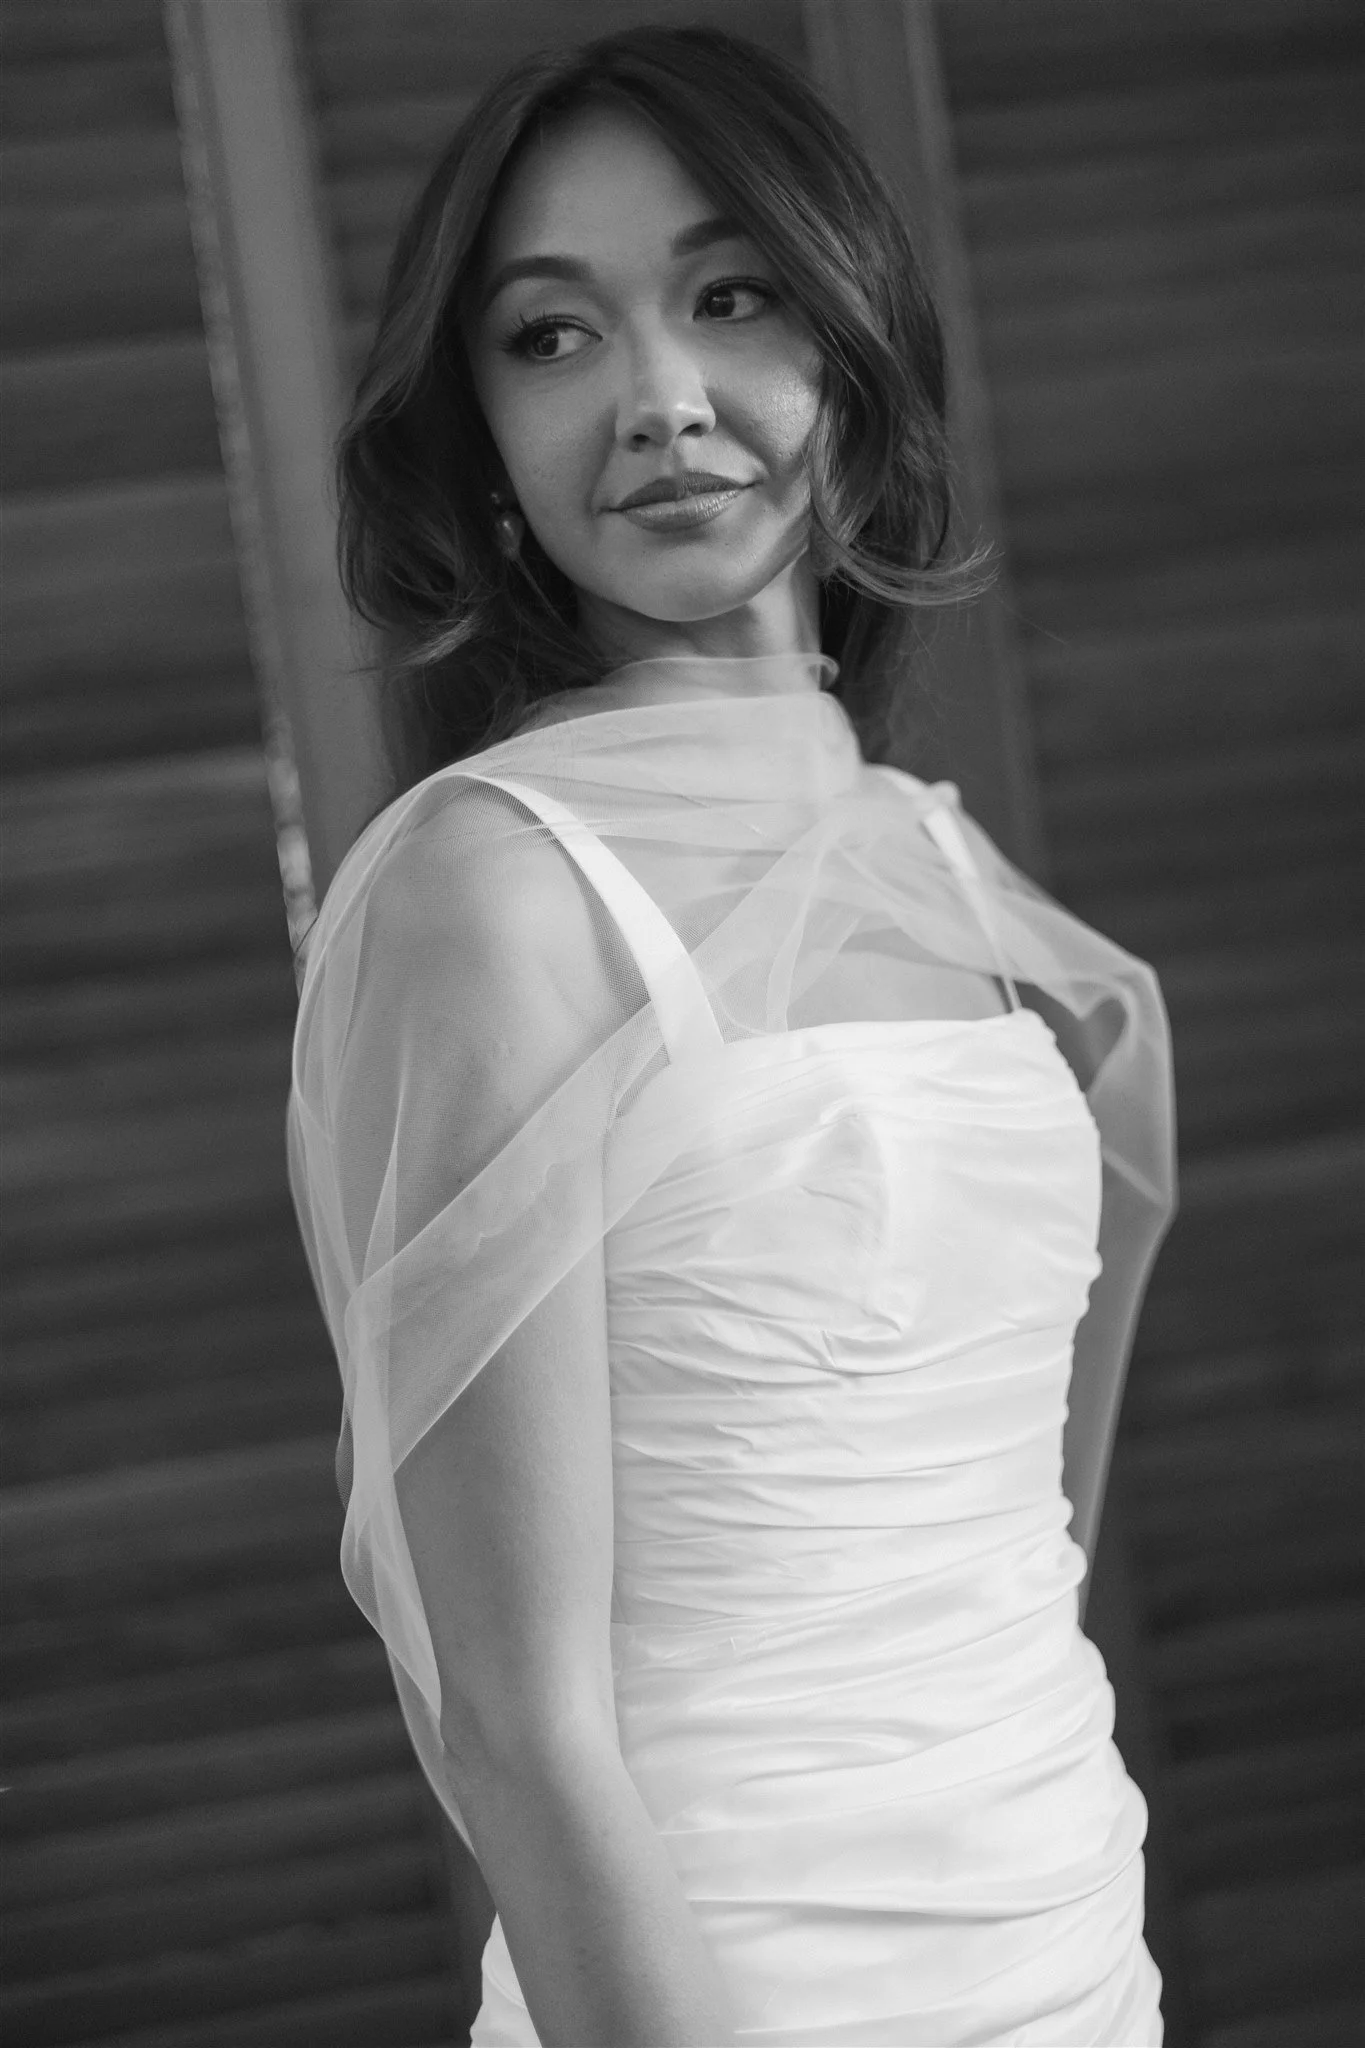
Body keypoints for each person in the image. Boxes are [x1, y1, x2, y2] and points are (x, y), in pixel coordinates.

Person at [286, 26, 1177, 2047]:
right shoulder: (494, 892)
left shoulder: (930, 858)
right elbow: (515, 1725)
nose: (660, 399)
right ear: (480, 442)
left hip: (1066, 1938)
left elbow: (1006, 1549)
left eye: (731, 296)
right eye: (550, 335)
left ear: (851, 348)